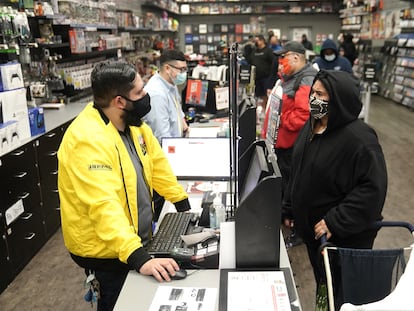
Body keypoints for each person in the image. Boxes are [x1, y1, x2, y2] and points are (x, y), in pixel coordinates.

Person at [58, 61, 191, 311]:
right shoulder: (86, 140)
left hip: (131, 242)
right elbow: (103, 206)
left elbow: (157, 163)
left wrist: (181, 202)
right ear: (120, 101)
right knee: (118, 302)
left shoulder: (133, 123)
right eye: (140, 93)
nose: (146, 96)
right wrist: (138, 257)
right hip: (106, 252)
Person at [283, 70, 387, 307]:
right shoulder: (312, 126)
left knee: (344, 297)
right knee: (325, 288)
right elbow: (298, 170)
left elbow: (372, 190)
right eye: (313, 92)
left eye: (321, 94)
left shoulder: (360, 139)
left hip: (344, 239)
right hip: (315, 237)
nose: (313, 99)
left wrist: (335, 221)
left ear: (338, 99)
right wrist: (290, 208)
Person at [262, 41, 317, 246]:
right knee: (287, 185)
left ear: (295, 57)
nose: (280, 61)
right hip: (284, 145)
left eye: (283, 57)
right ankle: (288, 217)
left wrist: (280, 117)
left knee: (296, 188)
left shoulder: (306, 78)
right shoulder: (292, 77)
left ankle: (299, 229)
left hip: (293, 147)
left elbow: (304, 115)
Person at [143, 49, 189, 143]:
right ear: (167, 68)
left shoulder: (171, 83)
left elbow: (178, 111)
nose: (184, 73)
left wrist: (184, 127)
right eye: (181, 69)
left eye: (185, 69)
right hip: (167, 150)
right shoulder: (156, 94)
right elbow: (162, 137)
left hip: (177, 143)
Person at [246, 34, 277, 107]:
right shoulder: (254, 51)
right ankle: (259, 110)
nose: (256, 43)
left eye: (257, 41)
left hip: (266, 77)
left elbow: (274, 63)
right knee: (257, 95)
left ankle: (265, 109)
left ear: (262, 41)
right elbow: (250, 61)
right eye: (255, 41)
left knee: (266, 96)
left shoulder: (268, 51)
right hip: (256, 77)